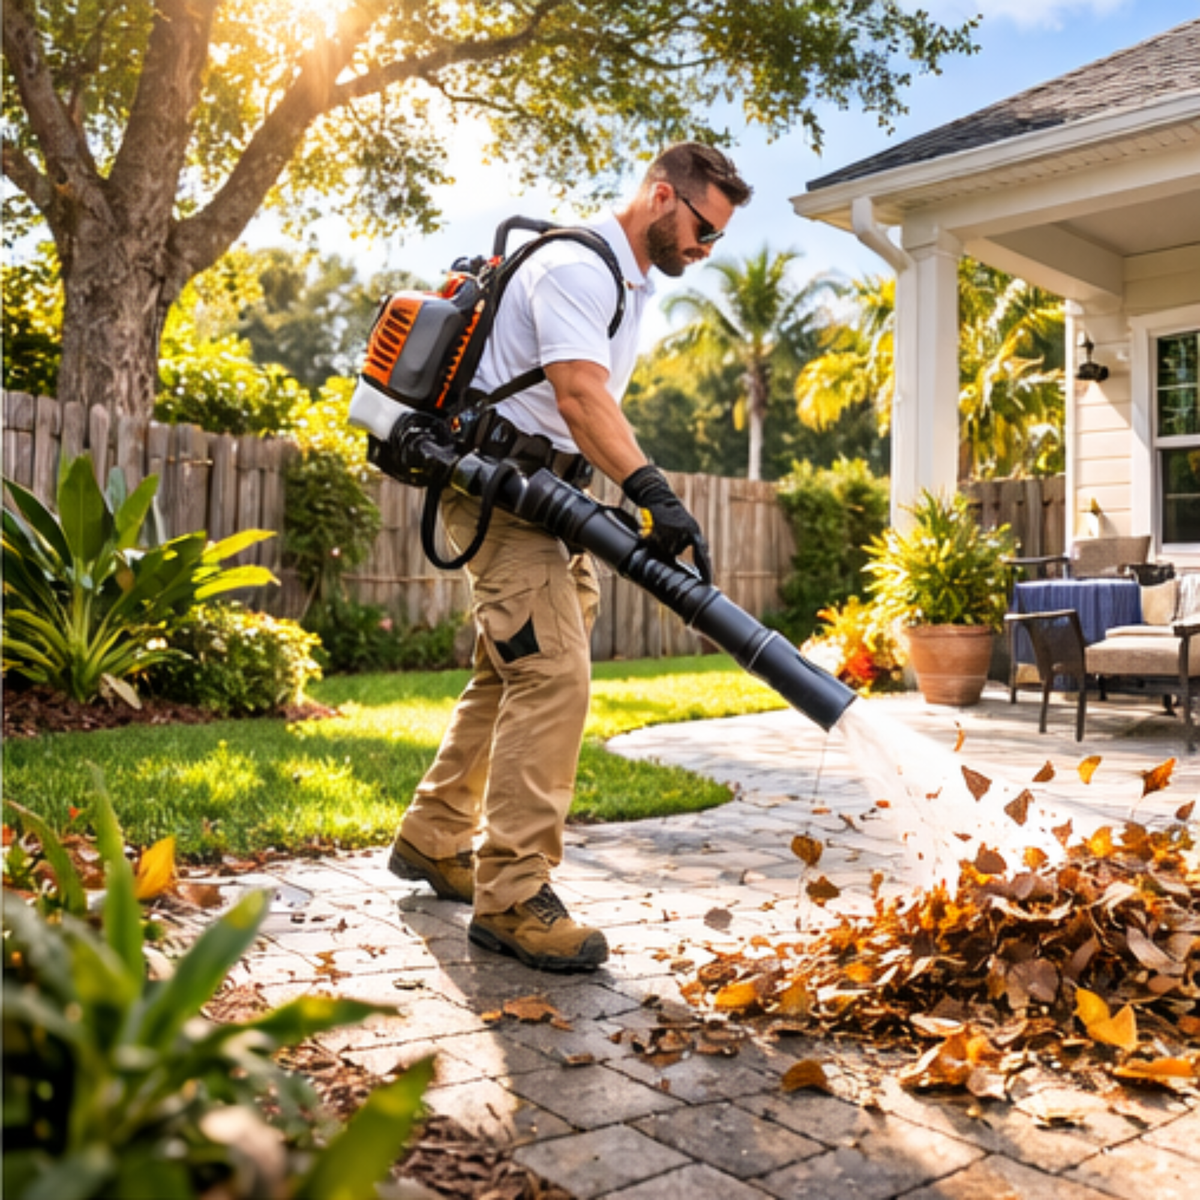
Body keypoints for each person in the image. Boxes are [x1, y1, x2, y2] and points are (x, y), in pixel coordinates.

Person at [388, 143, 753, 971]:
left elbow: (588, 407)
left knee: (512, 671)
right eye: (703, 229)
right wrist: (652, 492)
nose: (706, 248)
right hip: (500, 490)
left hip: (544, 496)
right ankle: (513, 896)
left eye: (717, 238)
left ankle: (435, 833)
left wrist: (632, 490)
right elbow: (579, 394)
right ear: (662, 197)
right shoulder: (578, 266)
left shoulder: (625, 281)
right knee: (552, 675)